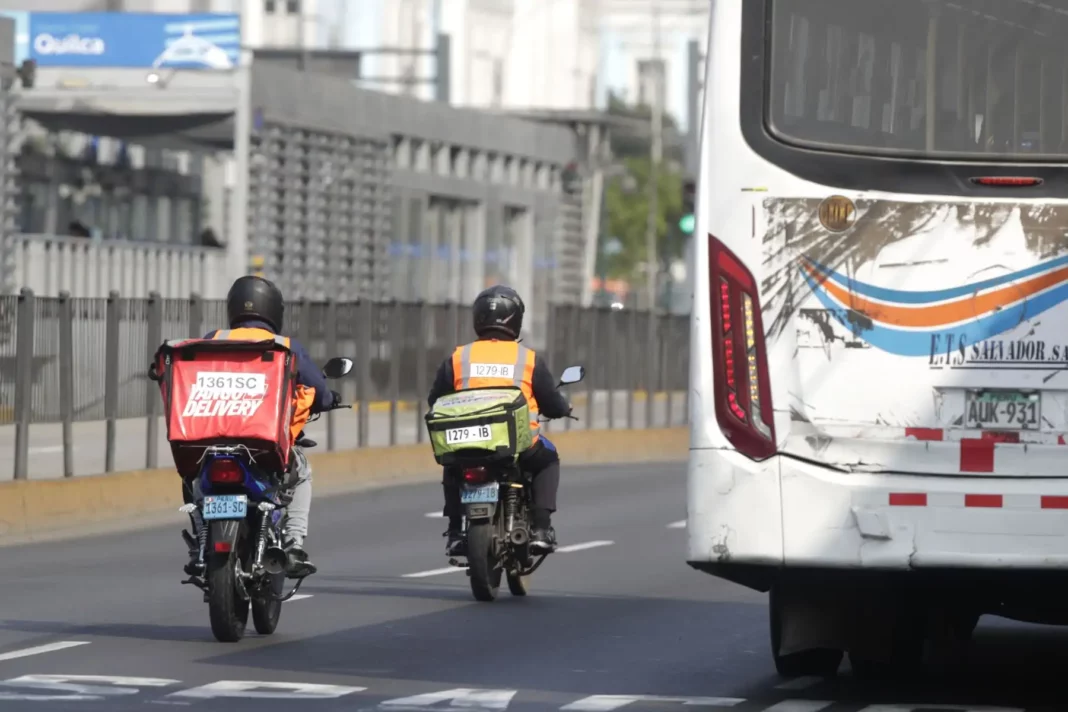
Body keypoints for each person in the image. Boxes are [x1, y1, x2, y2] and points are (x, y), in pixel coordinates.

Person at [182, 275, 340, 579]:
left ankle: (201, 542)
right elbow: (319, 393)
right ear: (273, 310)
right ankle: (293, 545)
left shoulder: (213, 339)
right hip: (263, 441)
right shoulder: (285, 346)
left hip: (212, 439)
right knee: (301, 472)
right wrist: (330, 399)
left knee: (193, 479)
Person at [428, 285, 572, 557]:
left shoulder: (459, 357)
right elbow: (551, 403)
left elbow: (435, 399)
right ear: (515, 319)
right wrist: (563, 408)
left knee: (452, 466)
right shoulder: (528, 359)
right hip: (518, 446)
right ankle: (541, 529)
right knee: (549, 459)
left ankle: (456, 531)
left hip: (467, 442)